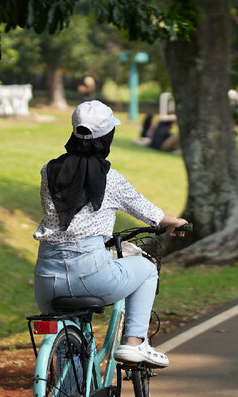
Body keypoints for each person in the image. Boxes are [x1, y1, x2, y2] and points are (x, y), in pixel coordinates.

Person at [33, 100, 189, 366]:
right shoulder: (111, 179)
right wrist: (175, 222)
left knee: (66, 341)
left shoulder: (49, 172)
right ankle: (134, 343)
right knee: (147, 269)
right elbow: (146, 210)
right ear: (108, 137)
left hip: (48, 279)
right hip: (91, 275)